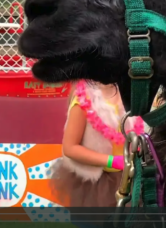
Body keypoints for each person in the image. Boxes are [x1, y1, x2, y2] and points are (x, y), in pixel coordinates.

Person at [49, 81, 144, 226]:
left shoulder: (132, 95)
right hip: (95, 183)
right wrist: (113, 161)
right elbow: (70, 147)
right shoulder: (83, 100)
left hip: (130, 178)